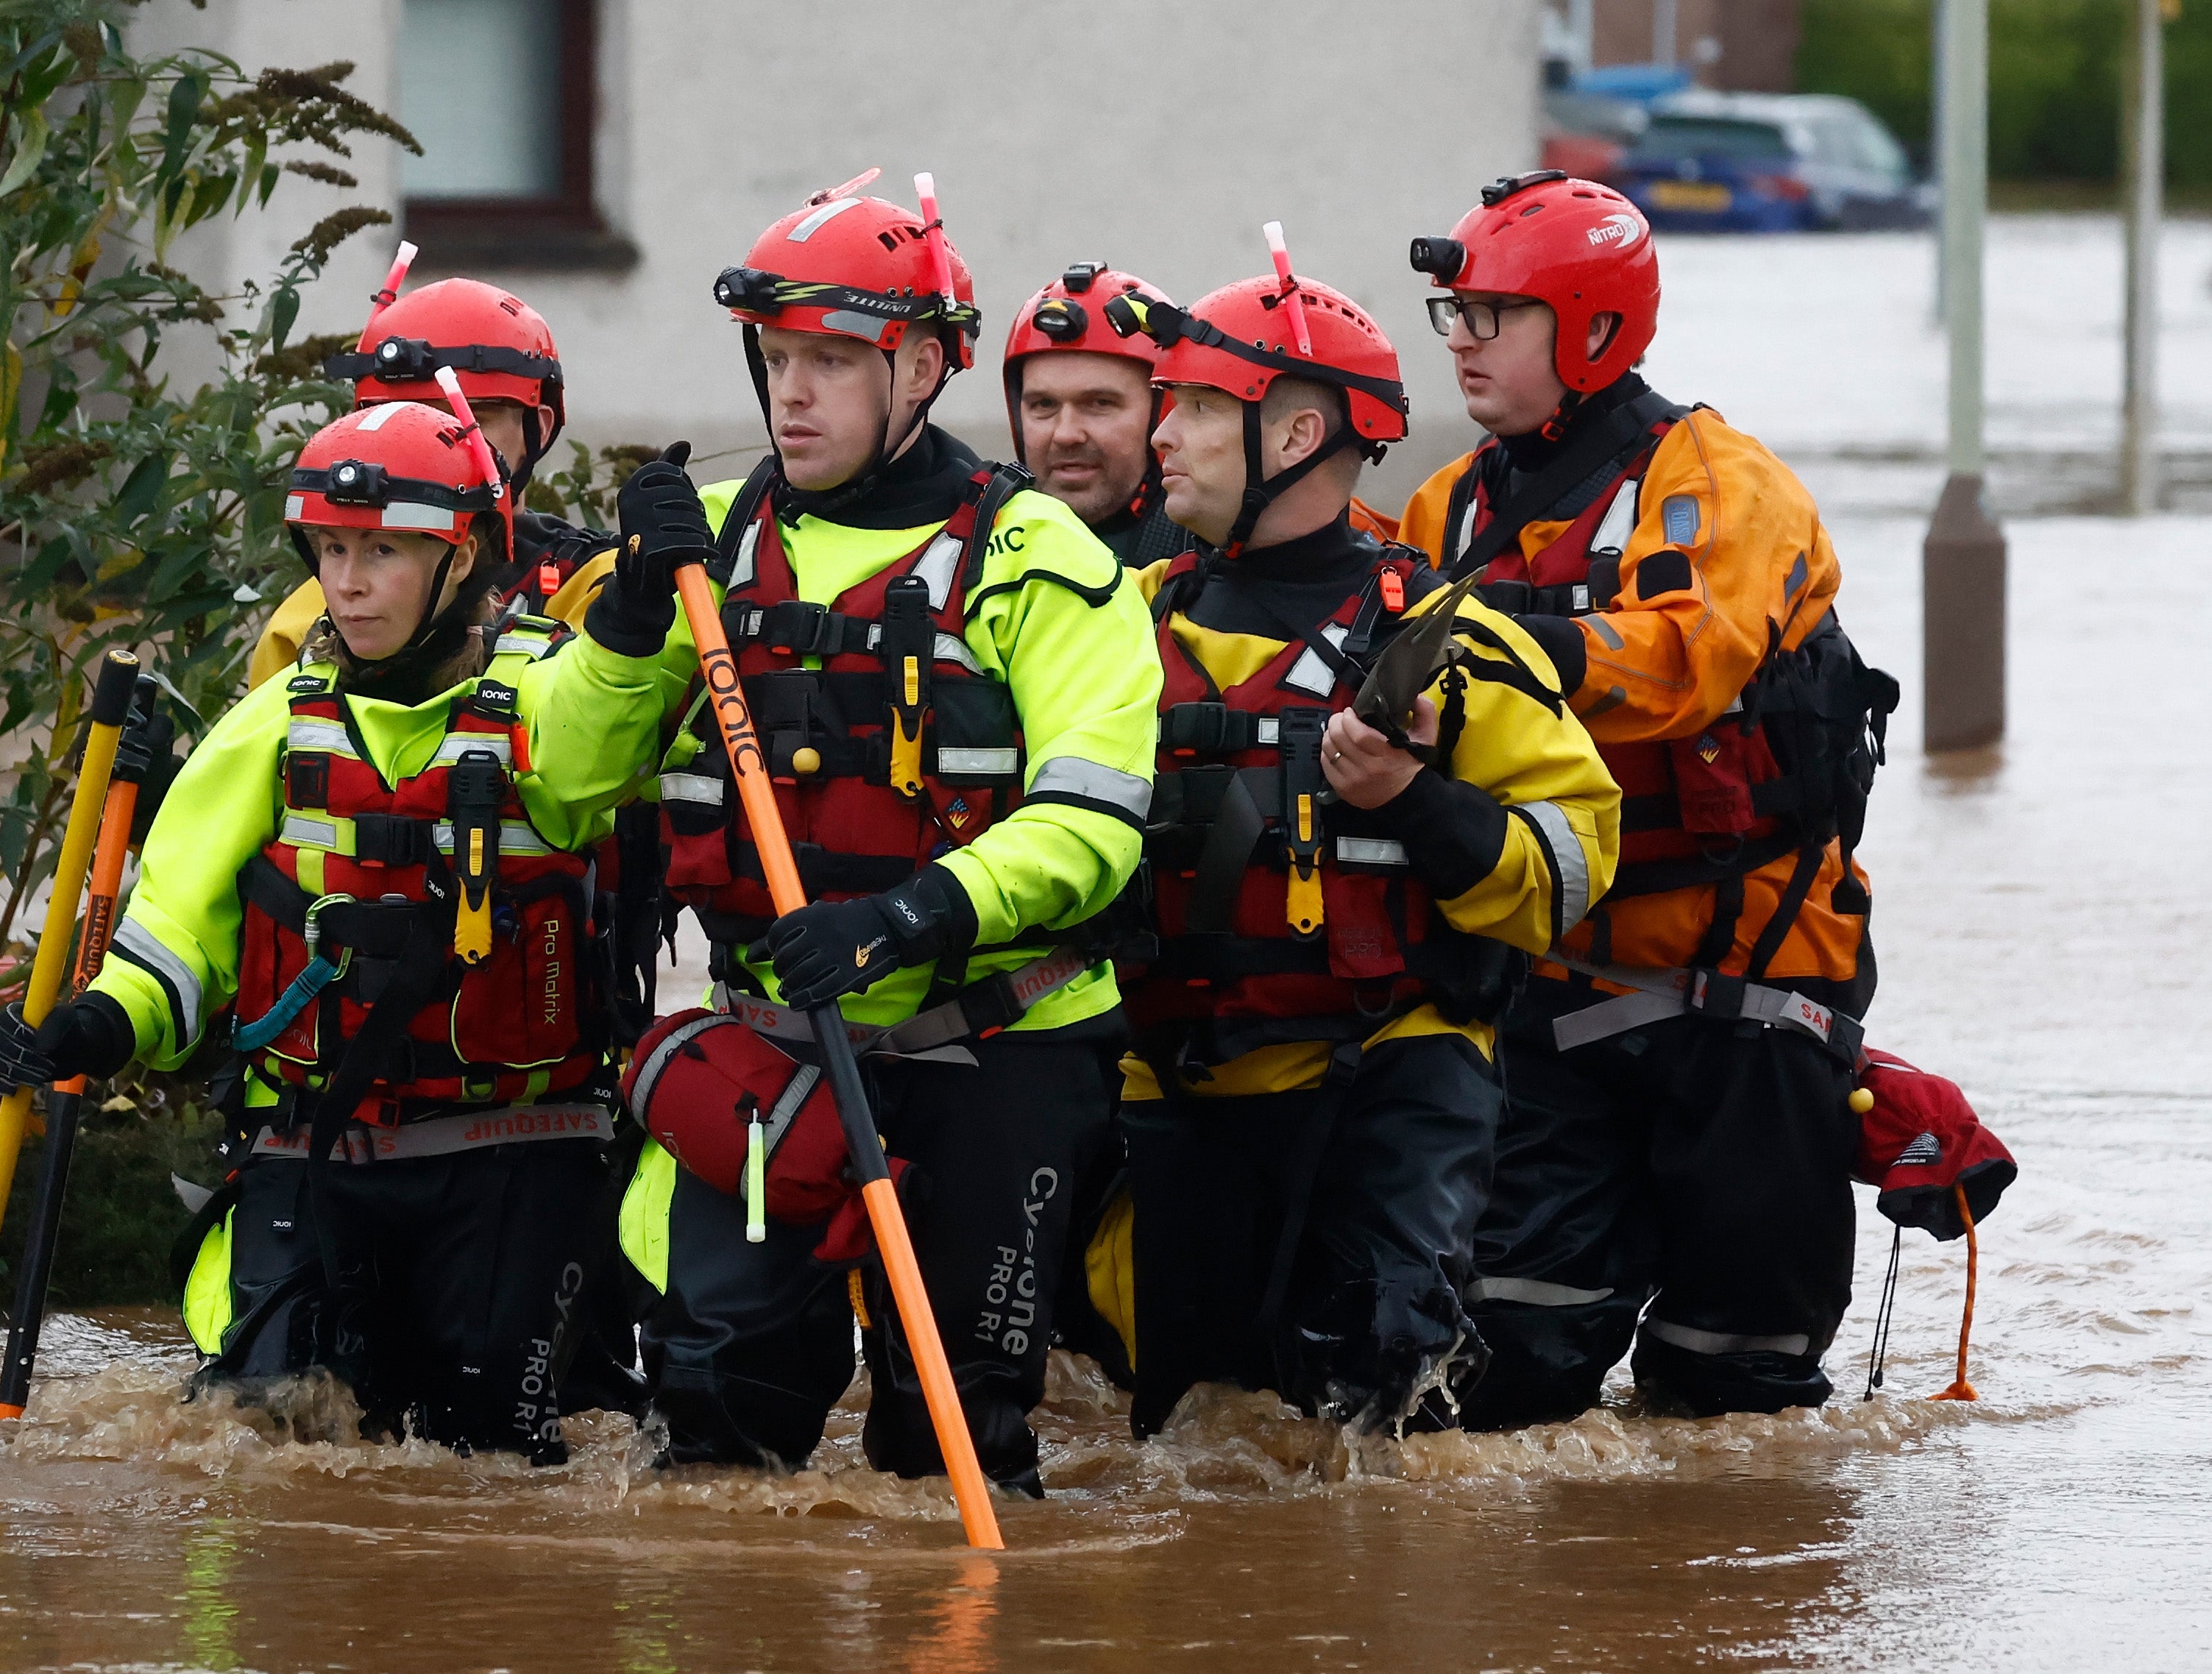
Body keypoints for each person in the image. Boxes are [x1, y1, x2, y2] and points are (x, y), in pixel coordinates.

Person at [558, 173, 1163, 1494]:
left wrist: (904, 915)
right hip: (777, 1048)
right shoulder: (705, 552)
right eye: (777, 360)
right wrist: (622, 620)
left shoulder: (1042, 559)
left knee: (948, 1444)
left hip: (995, 1044)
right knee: (711, 1419)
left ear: (927, 367)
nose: (792, 394)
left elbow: (1092, 823)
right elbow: (559, 777)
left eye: (832, 360)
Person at [0, 402, 681, 1459]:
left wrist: (635, 609)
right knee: (266, 1433)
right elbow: (174, 931)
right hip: (314, 1146)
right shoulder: (272, 723)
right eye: (332, 550)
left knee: (489, 1449)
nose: (347, 581)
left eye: (383, 552)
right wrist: (94, 1024)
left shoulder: (546, 694)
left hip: (512, 1150)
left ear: (461, 560)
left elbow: (606, 726)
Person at [1394, 171, 1899, 1426]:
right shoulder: (1443, 510)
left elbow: (1685, 660)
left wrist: (1495, 645)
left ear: (1592, 329)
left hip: (1748, 996)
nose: (1458, 343)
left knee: (1736, 1387)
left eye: (1488, 318)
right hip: (1549, 993)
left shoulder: (1718, 481)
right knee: (1503, 1378)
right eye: (1448, 316)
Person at [1105, 259, 1621, 1438]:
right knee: (1187, 1434)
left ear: (1293, 431)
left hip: (1384, 1077)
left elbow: (1574, 867)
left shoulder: (1448, 637)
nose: (1158, 432)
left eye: (1189, 406)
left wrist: (1414, 799)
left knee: (1376, 1402)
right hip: (1177, 1080)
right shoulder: (1124, 623)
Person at [247, 276, 614, 687]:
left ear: (539, 429)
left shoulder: (597, 588)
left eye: (466, 419)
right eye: (405, 419)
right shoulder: (311, 618)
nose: (430, 444)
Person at [1003, 262, 1190, 566]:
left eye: (1100, 404)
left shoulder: (1214, 563)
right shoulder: (975, 550)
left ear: (1163, 413)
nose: (1066, 435)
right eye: (1044, 405)